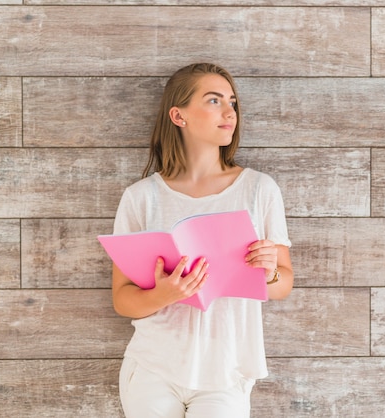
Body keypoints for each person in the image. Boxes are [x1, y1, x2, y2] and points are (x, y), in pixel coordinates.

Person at [111, 62, 293, 417]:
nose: (229, 111)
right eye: (213, 101)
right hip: (152, 367)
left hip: (226, 371)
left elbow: (283, 284)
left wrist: (269, 271)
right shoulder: (140, 197)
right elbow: (122, 299)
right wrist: (164, 295)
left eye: (232, 102)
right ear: (179, 116)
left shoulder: (259, 189)